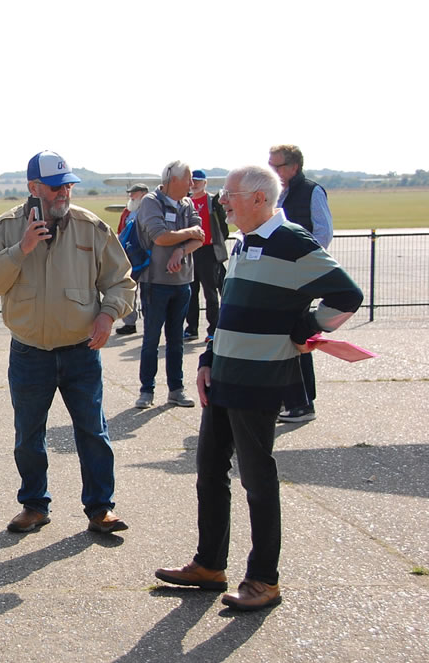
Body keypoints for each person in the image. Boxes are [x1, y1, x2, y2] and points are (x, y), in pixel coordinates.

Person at [155, 165, 362, 611]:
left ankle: (264, 580)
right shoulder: (245, 241)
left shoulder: (292, 241)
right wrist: (208, 359)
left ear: (258, 199)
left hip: (260, 377)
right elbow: (229, 310)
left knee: (256, 479)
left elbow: (347, 295)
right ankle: (209, 565)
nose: (222, 201)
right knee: (210, 472)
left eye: (229, 194)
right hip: (225, 375)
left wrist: (304, 328)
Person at [0, 150, 136, 534]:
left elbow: (121, 281)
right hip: (30, 352)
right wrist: (21, 249)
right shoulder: (7, 227)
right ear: (34, 187)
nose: (64, 193)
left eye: (68, 186)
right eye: (55, 187)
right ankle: (34, 506)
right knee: (29, 434)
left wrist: (108, 314)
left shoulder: (90, 227)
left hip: (81, 351)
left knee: (93, 432)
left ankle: (100, 509)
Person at [269, 145, 333, 424]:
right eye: (271, 166)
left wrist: (300, 262)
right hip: (277, 275)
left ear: (294, 167)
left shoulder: (311, 191)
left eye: (278, 166)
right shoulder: (276, 192)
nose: (273, 171)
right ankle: (291, 399)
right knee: (282, 336)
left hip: (299, 276)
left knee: (297, 336)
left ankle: (303, 402)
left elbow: (323, 233)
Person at [133, 161, 204, 410]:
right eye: (188, 179)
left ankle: (176, 389)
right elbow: (160, 236)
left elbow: (201, 238)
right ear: (173, 180)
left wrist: (181, 251)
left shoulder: (187, 203)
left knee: (176, 340)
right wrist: (190, 233)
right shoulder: (151, 202)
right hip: (155, 282)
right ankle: (146, 390)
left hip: (182, 282)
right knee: (151, 339)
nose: (192, 184)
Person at [183, 169, 229, 343]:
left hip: (208, 251)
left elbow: (223, 226)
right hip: (190, 251)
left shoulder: (212, 201)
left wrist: (216, 241)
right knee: (191, 292)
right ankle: (191, 328)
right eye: (192, 180)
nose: (195, 184)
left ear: (205, 183)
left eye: (198, 181)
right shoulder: (185, 201)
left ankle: (213, 330)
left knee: (210, 292)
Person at [116, 183, 149, 336]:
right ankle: (129, 323)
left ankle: (149, 323)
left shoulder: (150, 210)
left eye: (134, 193)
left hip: (146, 257)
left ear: (143, 194)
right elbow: (120, 231)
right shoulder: (127, 211)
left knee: (147, 293)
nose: (131, 196)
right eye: (130, 193)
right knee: (129, 291)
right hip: (129, 257)